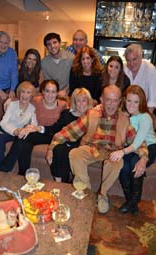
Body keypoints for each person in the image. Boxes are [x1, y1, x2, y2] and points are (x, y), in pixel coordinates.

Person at [46, 85, 148, 214]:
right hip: (92, 148)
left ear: (120, 101)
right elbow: (70, 131)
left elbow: (138, 142)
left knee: (118, 163)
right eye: (108, 100)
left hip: (112, 152)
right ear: (102, 99)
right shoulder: (92, 114)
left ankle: (102, 194)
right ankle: (85, 191)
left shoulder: (124, 119)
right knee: (75, 153)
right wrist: (52, 147)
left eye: (115, 100)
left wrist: (144, 158)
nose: (111, 104)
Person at [0, 79, 67, 175]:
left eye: (53, 92)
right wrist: (10, 100)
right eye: (47, 91)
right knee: (24, 138)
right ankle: (23, 174)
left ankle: (4, 168)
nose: (49, 95)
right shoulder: (37, 100)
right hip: (39, 133)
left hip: (54, 135)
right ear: (43, 92)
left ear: (57, 93)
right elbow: (23, 98)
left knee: (26, 135)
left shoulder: (63, 105)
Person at [110, 85, 156, 215]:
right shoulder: (125, 115)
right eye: (129, 100)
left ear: (141, 102)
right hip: (132, 147)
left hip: (149, 146)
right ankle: (132, 202)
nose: (132, 104)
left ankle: (133, 202)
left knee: (135, 164)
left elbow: (137, 144)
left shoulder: (145, 117)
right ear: (124, 100)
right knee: (123, 167)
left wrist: (122, 152)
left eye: (136, 102)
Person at [0, 81, 37, 170]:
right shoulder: (12, 105)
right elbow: (3, 122)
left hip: (17, 134)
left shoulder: (32, 109)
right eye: (23, 92)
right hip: (7, 129)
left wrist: (25, 130)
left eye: (28, 93)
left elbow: (34, 125)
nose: (25, 95)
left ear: (31, 95)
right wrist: (14, 130)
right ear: (19, 93)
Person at [48, 88, 93, 183]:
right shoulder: (66, 114)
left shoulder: (93, 116)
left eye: (84, 101)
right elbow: (58, 131)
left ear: (88, 102)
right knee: (58, 149)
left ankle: (66, 182)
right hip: (65, 143)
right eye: (78, 101)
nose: (81, 104)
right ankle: (59, 182)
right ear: (74, 102)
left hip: (82, 146)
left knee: (70, 152)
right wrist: (50, 149)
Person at [124, 44, 156, 114]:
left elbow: (152, 101)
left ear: (141, 57)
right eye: (128, 60)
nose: (131, 64)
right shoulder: (124, 68)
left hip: (144, 112)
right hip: (127, 112)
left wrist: (145, 119)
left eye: (134, 59)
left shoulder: (150, 69)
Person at [41, 32, 74, 99]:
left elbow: (74, 79)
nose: (52, 46)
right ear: (46, 47)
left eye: (55, 42)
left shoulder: (71, 58)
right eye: (49, 44)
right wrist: (56, 94)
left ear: (60, 43)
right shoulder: (44, 62)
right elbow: (48, 82)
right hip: (53, 96)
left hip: (70, 95)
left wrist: (65, 90)